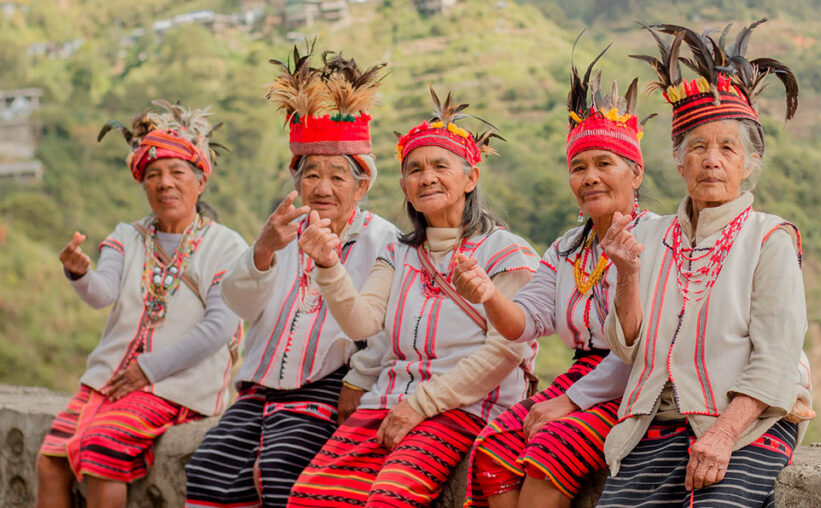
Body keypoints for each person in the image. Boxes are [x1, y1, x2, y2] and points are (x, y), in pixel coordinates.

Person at [286, 88, 540, 508]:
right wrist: (329, 266)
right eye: (415, 170)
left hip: (466, 408)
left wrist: (420, 405)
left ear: (471, 178)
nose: (427, 178)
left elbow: (505, 352)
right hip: (388, 401)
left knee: (389, 500)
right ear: (404, 186)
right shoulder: (399, 252)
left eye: (441, 166)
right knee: (309, 499)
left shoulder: (508, 252)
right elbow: (362, 323)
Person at [596, 21, 814, 507]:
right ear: (677, 160)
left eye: (727, 148)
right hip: (653, 427)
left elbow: (777, 356)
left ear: (749, 162)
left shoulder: (770, 237)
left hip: (745, 423)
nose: (711, 160)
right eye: (697, 147)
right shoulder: (647, 235)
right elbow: (627, 346)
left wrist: (722, 434)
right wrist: (628, 274)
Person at [184, 49, 399, 508]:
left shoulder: (383, 240)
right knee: (207, 469)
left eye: (338, 176)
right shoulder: (282, 230)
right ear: (296, 182)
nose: (322, 188)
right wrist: (263, 250)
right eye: (312, 175)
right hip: (262, 383)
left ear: (361, 186)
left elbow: (386, 327)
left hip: (330, 383)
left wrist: (357, 382)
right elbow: (240, 305)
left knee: (285, 470)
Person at [455, 48, 657, 508]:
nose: (589, 178)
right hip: (579, 378)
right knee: (493, 448)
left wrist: (570, 402)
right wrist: (488, 294)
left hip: (634, 381)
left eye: (604, 164)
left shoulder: (658, 239)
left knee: (551, 449)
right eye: (579, 167)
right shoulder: (568, 247)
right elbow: (522, 323)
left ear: (636, 172)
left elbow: (644, 346)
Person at [36, 101, 246, 508]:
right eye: (153, 175)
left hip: (178, 385)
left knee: (100, 454)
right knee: (50, 462)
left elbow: (219, 327)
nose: (164, 183)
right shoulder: (126, 237)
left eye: (176, 173)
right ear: (142, 183)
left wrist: (148, 370)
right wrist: (79, 273)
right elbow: (102, 293)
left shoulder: (226, 246)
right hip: (111, 379)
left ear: (200, 181)